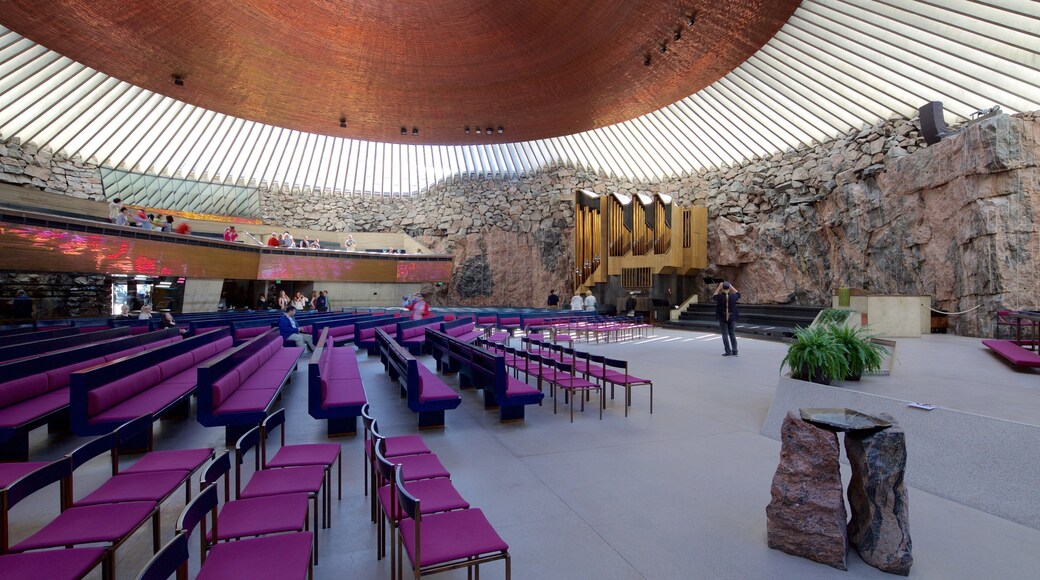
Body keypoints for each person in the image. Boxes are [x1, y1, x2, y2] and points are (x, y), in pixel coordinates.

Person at [714, 281, 741, 357]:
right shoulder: (733, 296)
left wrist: (719, 287)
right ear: (729, 288)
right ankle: (735, 351)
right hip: (732, 317)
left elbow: (714, 296)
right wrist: (731, 286)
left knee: (725, 334)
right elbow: (738, 294)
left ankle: (728, 351)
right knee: (732, 334)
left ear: (722, 288)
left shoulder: (720, 297)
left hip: (723, 318)